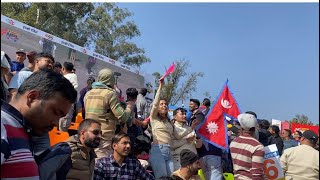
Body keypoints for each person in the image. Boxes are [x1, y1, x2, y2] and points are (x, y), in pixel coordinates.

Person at [1, 70, 77, 179]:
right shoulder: (3, 125)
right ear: (32, 98)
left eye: (61, 117)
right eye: (55, 112)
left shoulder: (21, 130)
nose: (56, 123)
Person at [148, 78, 196, 178]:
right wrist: (160, 86)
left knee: (171, 177)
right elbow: (155, 104)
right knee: (162, 177)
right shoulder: (154, 118)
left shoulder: (169, 123)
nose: (164, 106)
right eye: (162, 104)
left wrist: (191, 128)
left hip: (169, 152)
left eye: (165, 104)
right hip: (158, 150)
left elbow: (178, 136)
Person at [84, 68, 134, 158]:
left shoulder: (88, 94)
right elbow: (122, 116)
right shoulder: (110, 94)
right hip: (103, 138)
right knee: (101, 166)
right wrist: (129, 107)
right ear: (111, 80)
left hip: (89, 136)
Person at [230, 113, 265, 180]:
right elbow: (256, 174)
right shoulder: (257, 147)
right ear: (254, 128)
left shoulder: (234, 142)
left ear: (241, 127)